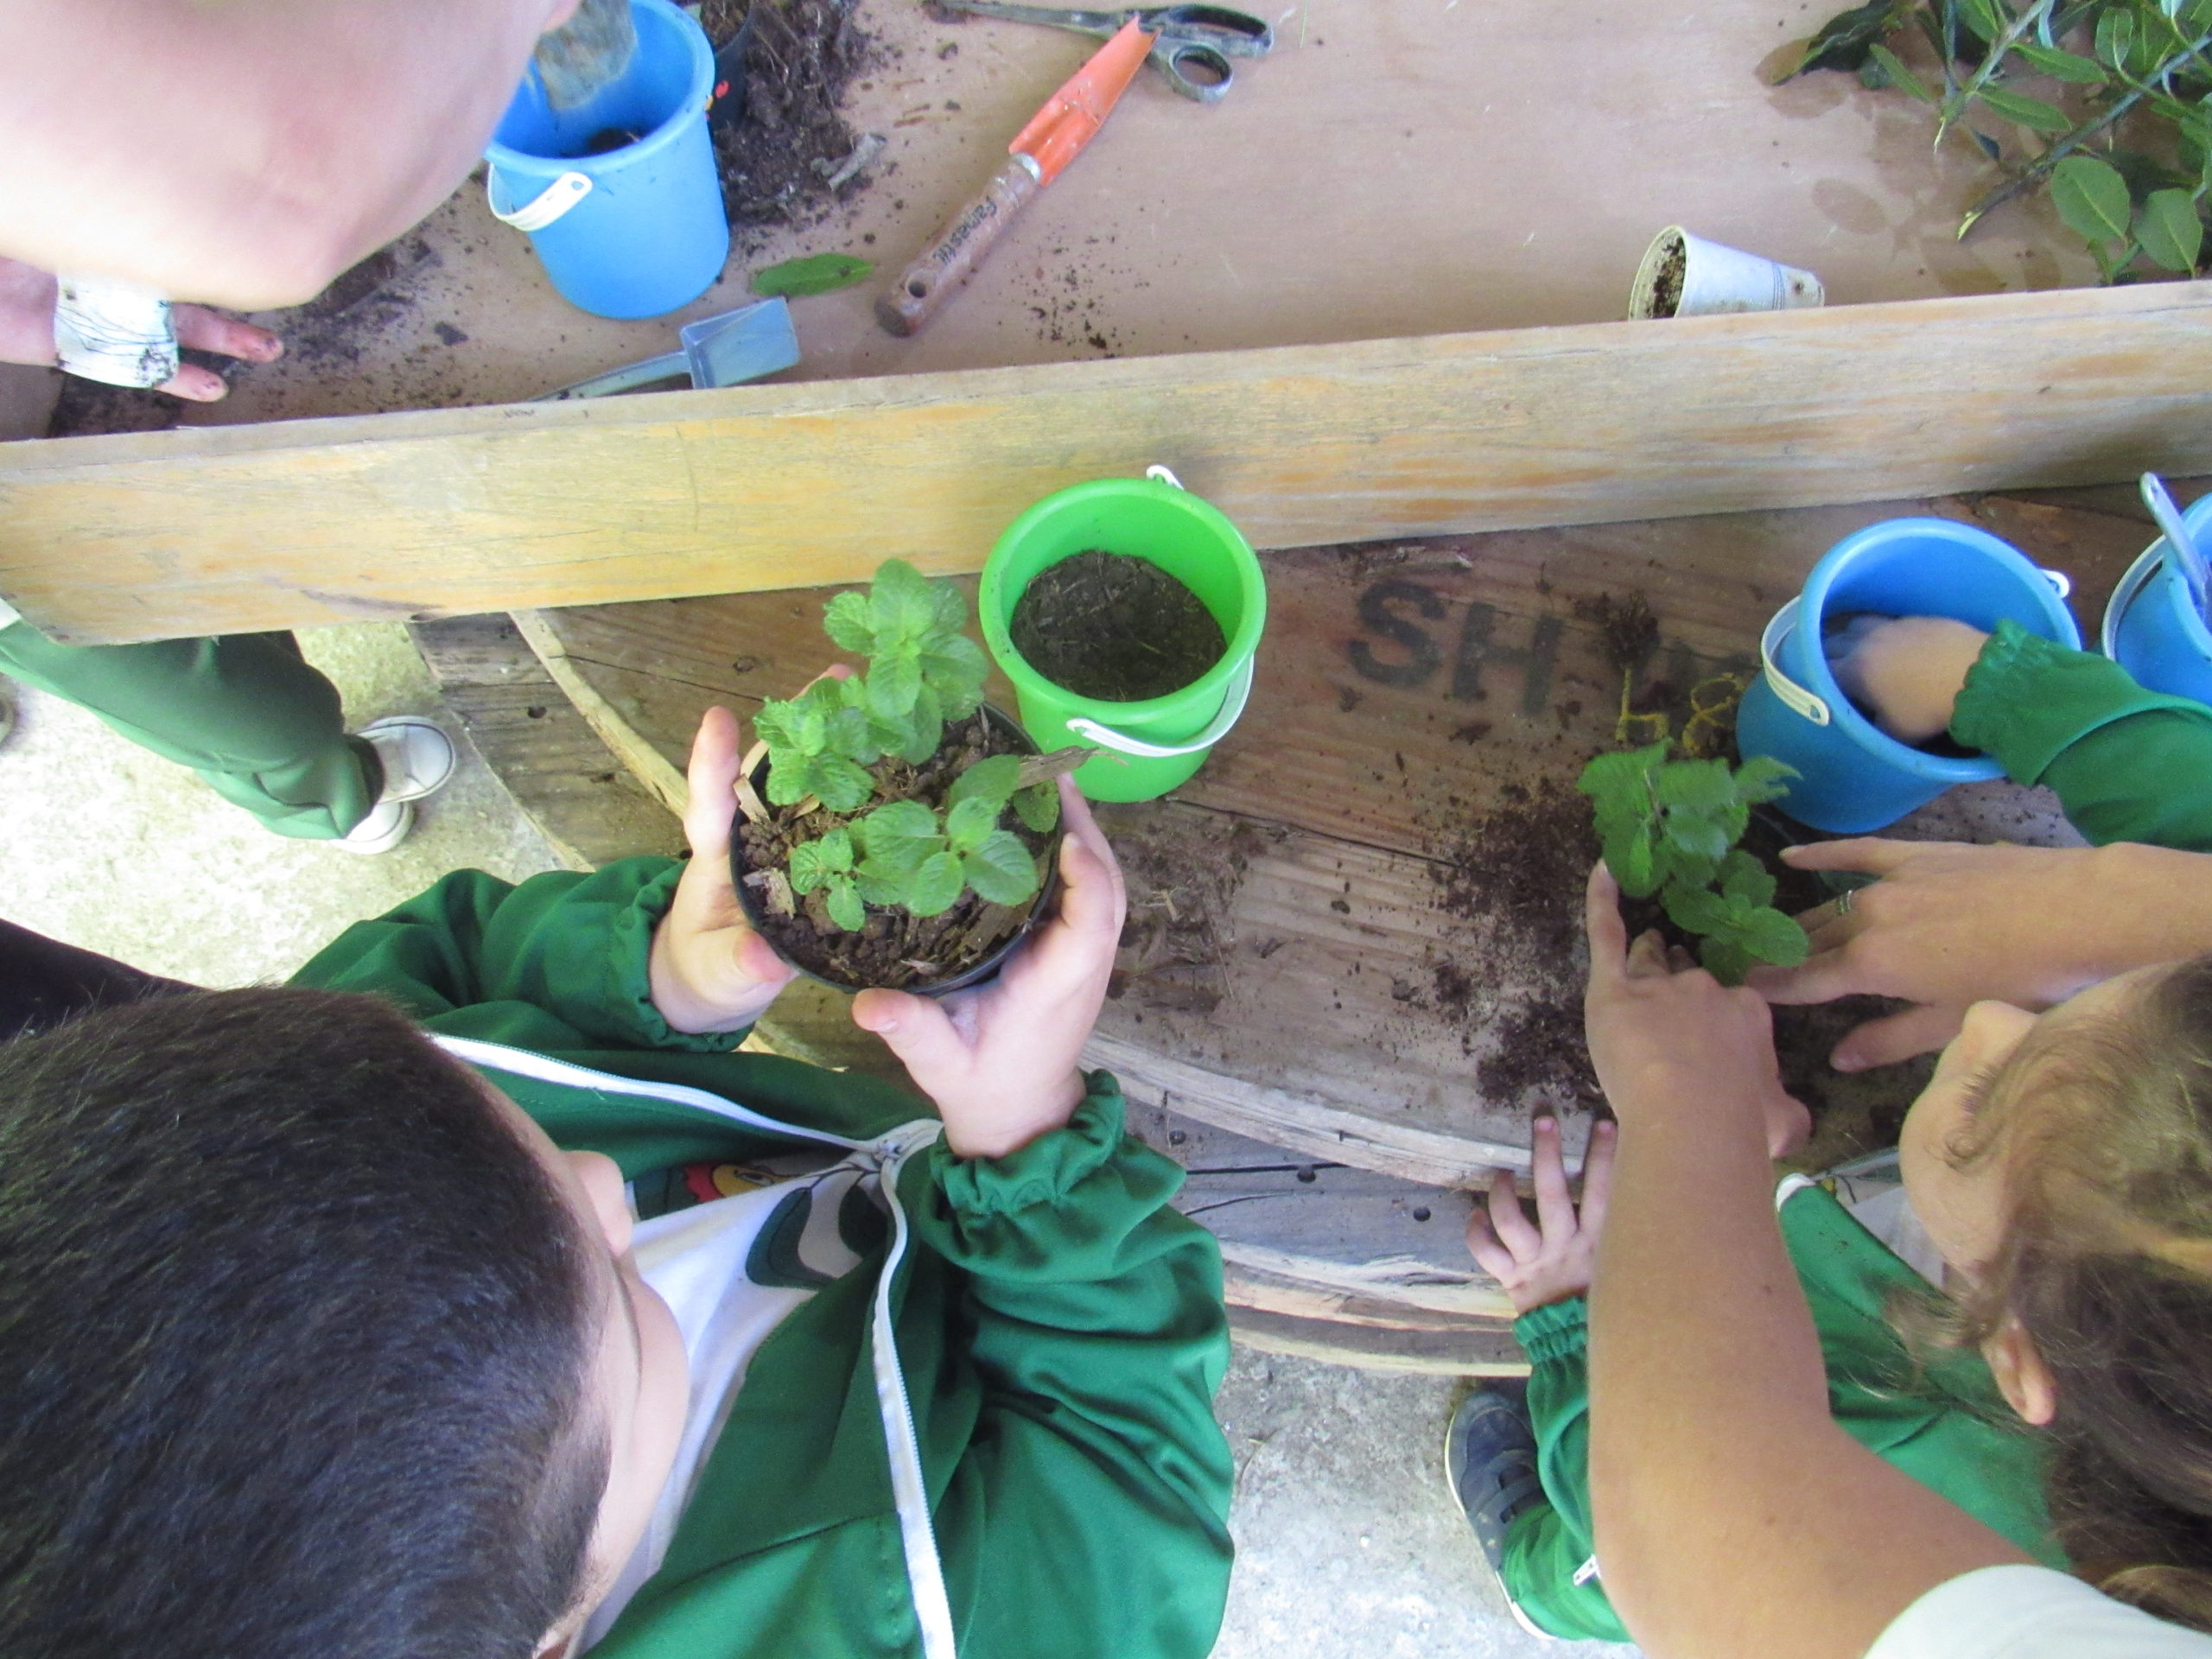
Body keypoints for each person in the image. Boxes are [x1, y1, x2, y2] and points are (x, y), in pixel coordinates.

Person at [0, 704, 1236, 1659]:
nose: (601, 1178)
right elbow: (1130, 1467)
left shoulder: (308, 1110)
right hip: (1038, 1280)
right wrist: (1026, 1140)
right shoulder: (947, 1621)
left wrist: (659, 978)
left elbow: (443, 974)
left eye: (533, 1146)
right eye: (611, 1278)